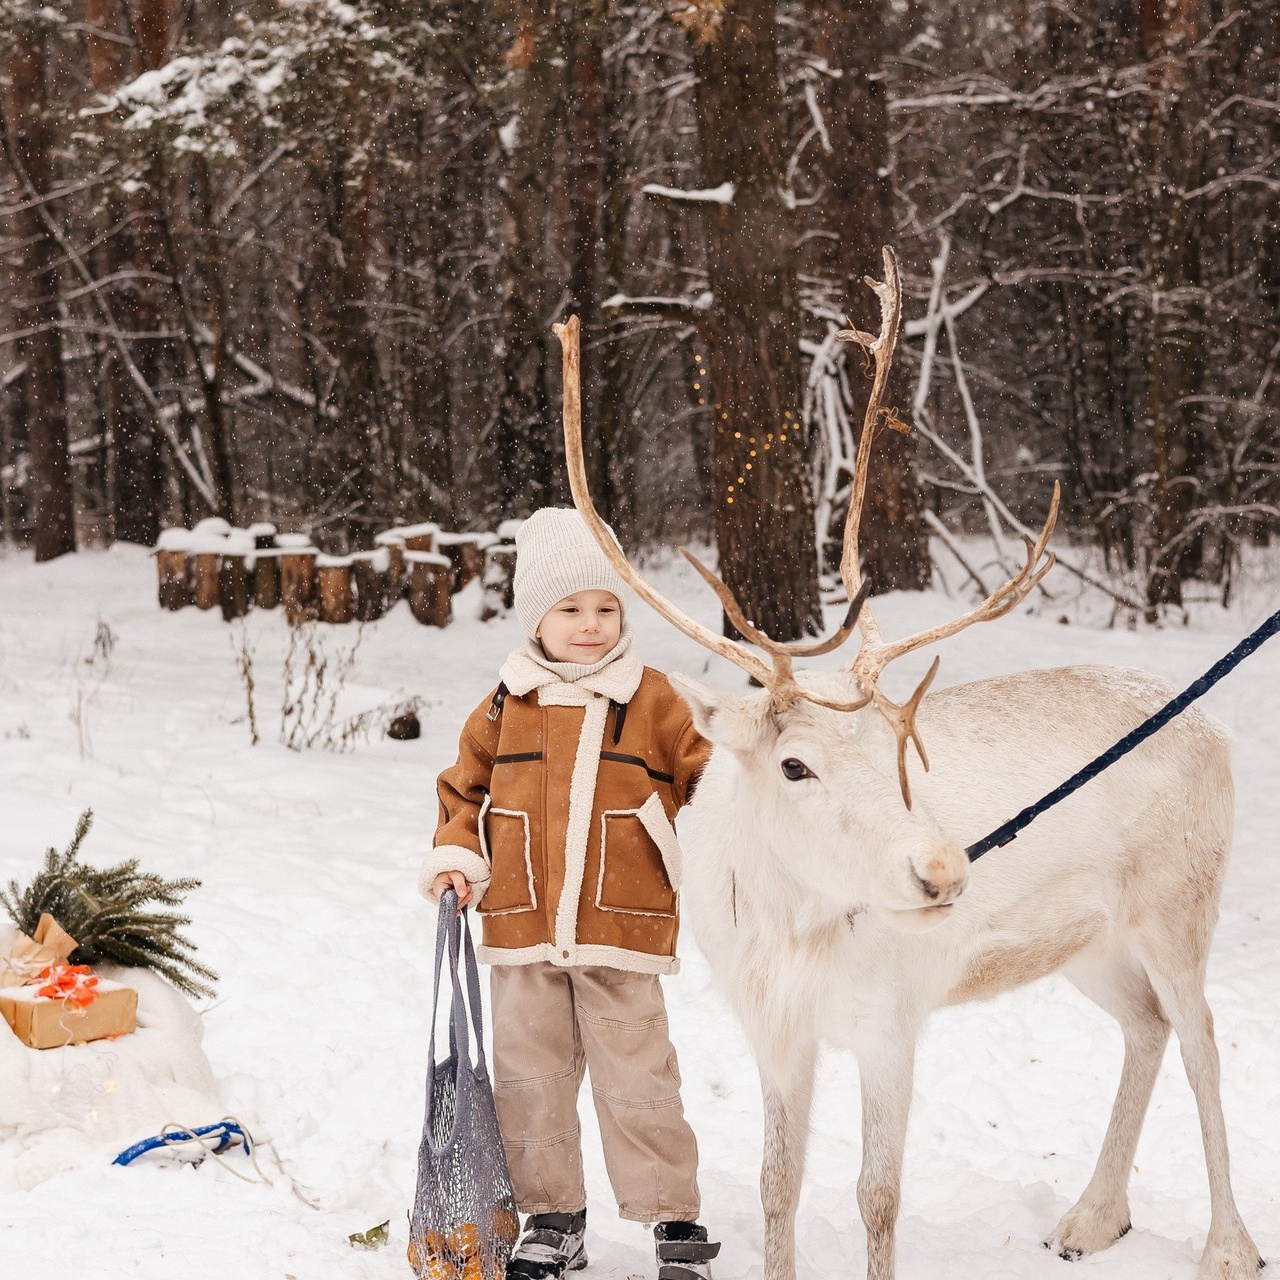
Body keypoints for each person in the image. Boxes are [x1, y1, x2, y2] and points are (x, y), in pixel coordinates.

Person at [421, 507, 720, 1280]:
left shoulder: (657, 699)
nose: (590, 626)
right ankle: (554, 1219)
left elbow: (713, 783)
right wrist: (457, 855)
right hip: (520, 926)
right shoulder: (503, 702)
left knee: (641, 1080)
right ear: (536, 617)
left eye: (606, 608)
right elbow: (463, 789)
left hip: (623, 924)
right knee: (531, 1084)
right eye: (570, 609)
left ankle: (673, 1217)